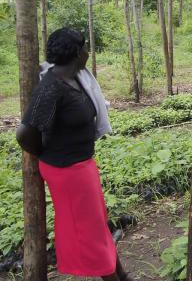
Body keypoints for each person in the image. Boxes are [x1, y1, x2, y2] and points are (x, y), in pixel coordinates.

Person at [15, 28, 133, 281]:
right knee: (90, 233)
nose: (89, 52)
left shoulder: (76, 78)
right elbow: (24, 134)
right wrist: (46, 153)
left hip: (82, 166)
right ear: (78, 52)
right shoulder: (51, 87)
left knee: (98, 225)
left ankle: (121, 275)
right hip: (66, 171)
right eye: (86, 47)